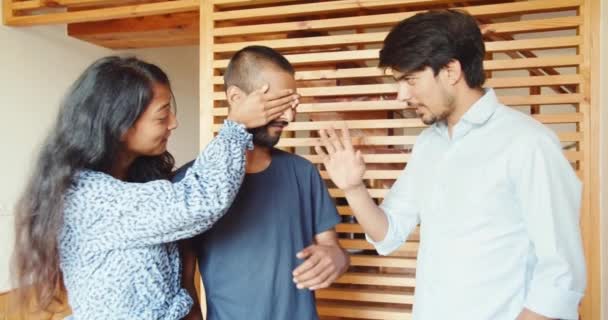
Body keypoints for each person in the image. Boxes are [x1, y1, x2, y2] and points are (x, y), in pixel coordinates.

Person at [315, 9, 586, 320]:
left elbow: (561, 273)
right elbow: (388, 233)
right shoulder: (429, 144)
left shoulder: (529, 143)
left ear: (451, 71)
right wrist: (353, 187)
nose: (401, 95)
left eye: (410, 80)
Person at [12, 56, 299, 320]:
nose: (174, 123)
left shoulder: (136, 183)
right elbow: (200, 201)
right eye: (163, 116)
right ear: (119, 124)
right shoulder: (90, 199)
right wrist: (235, 127)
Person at [175, 46, 349, 320]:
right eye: (278, 104)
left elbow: (334, 249)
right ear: (236, 98)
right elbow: (183, 284)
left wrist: (334, 257)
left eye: (293, 105)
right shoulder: (191, 184)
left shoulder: (303, 173)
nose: (289, 117)